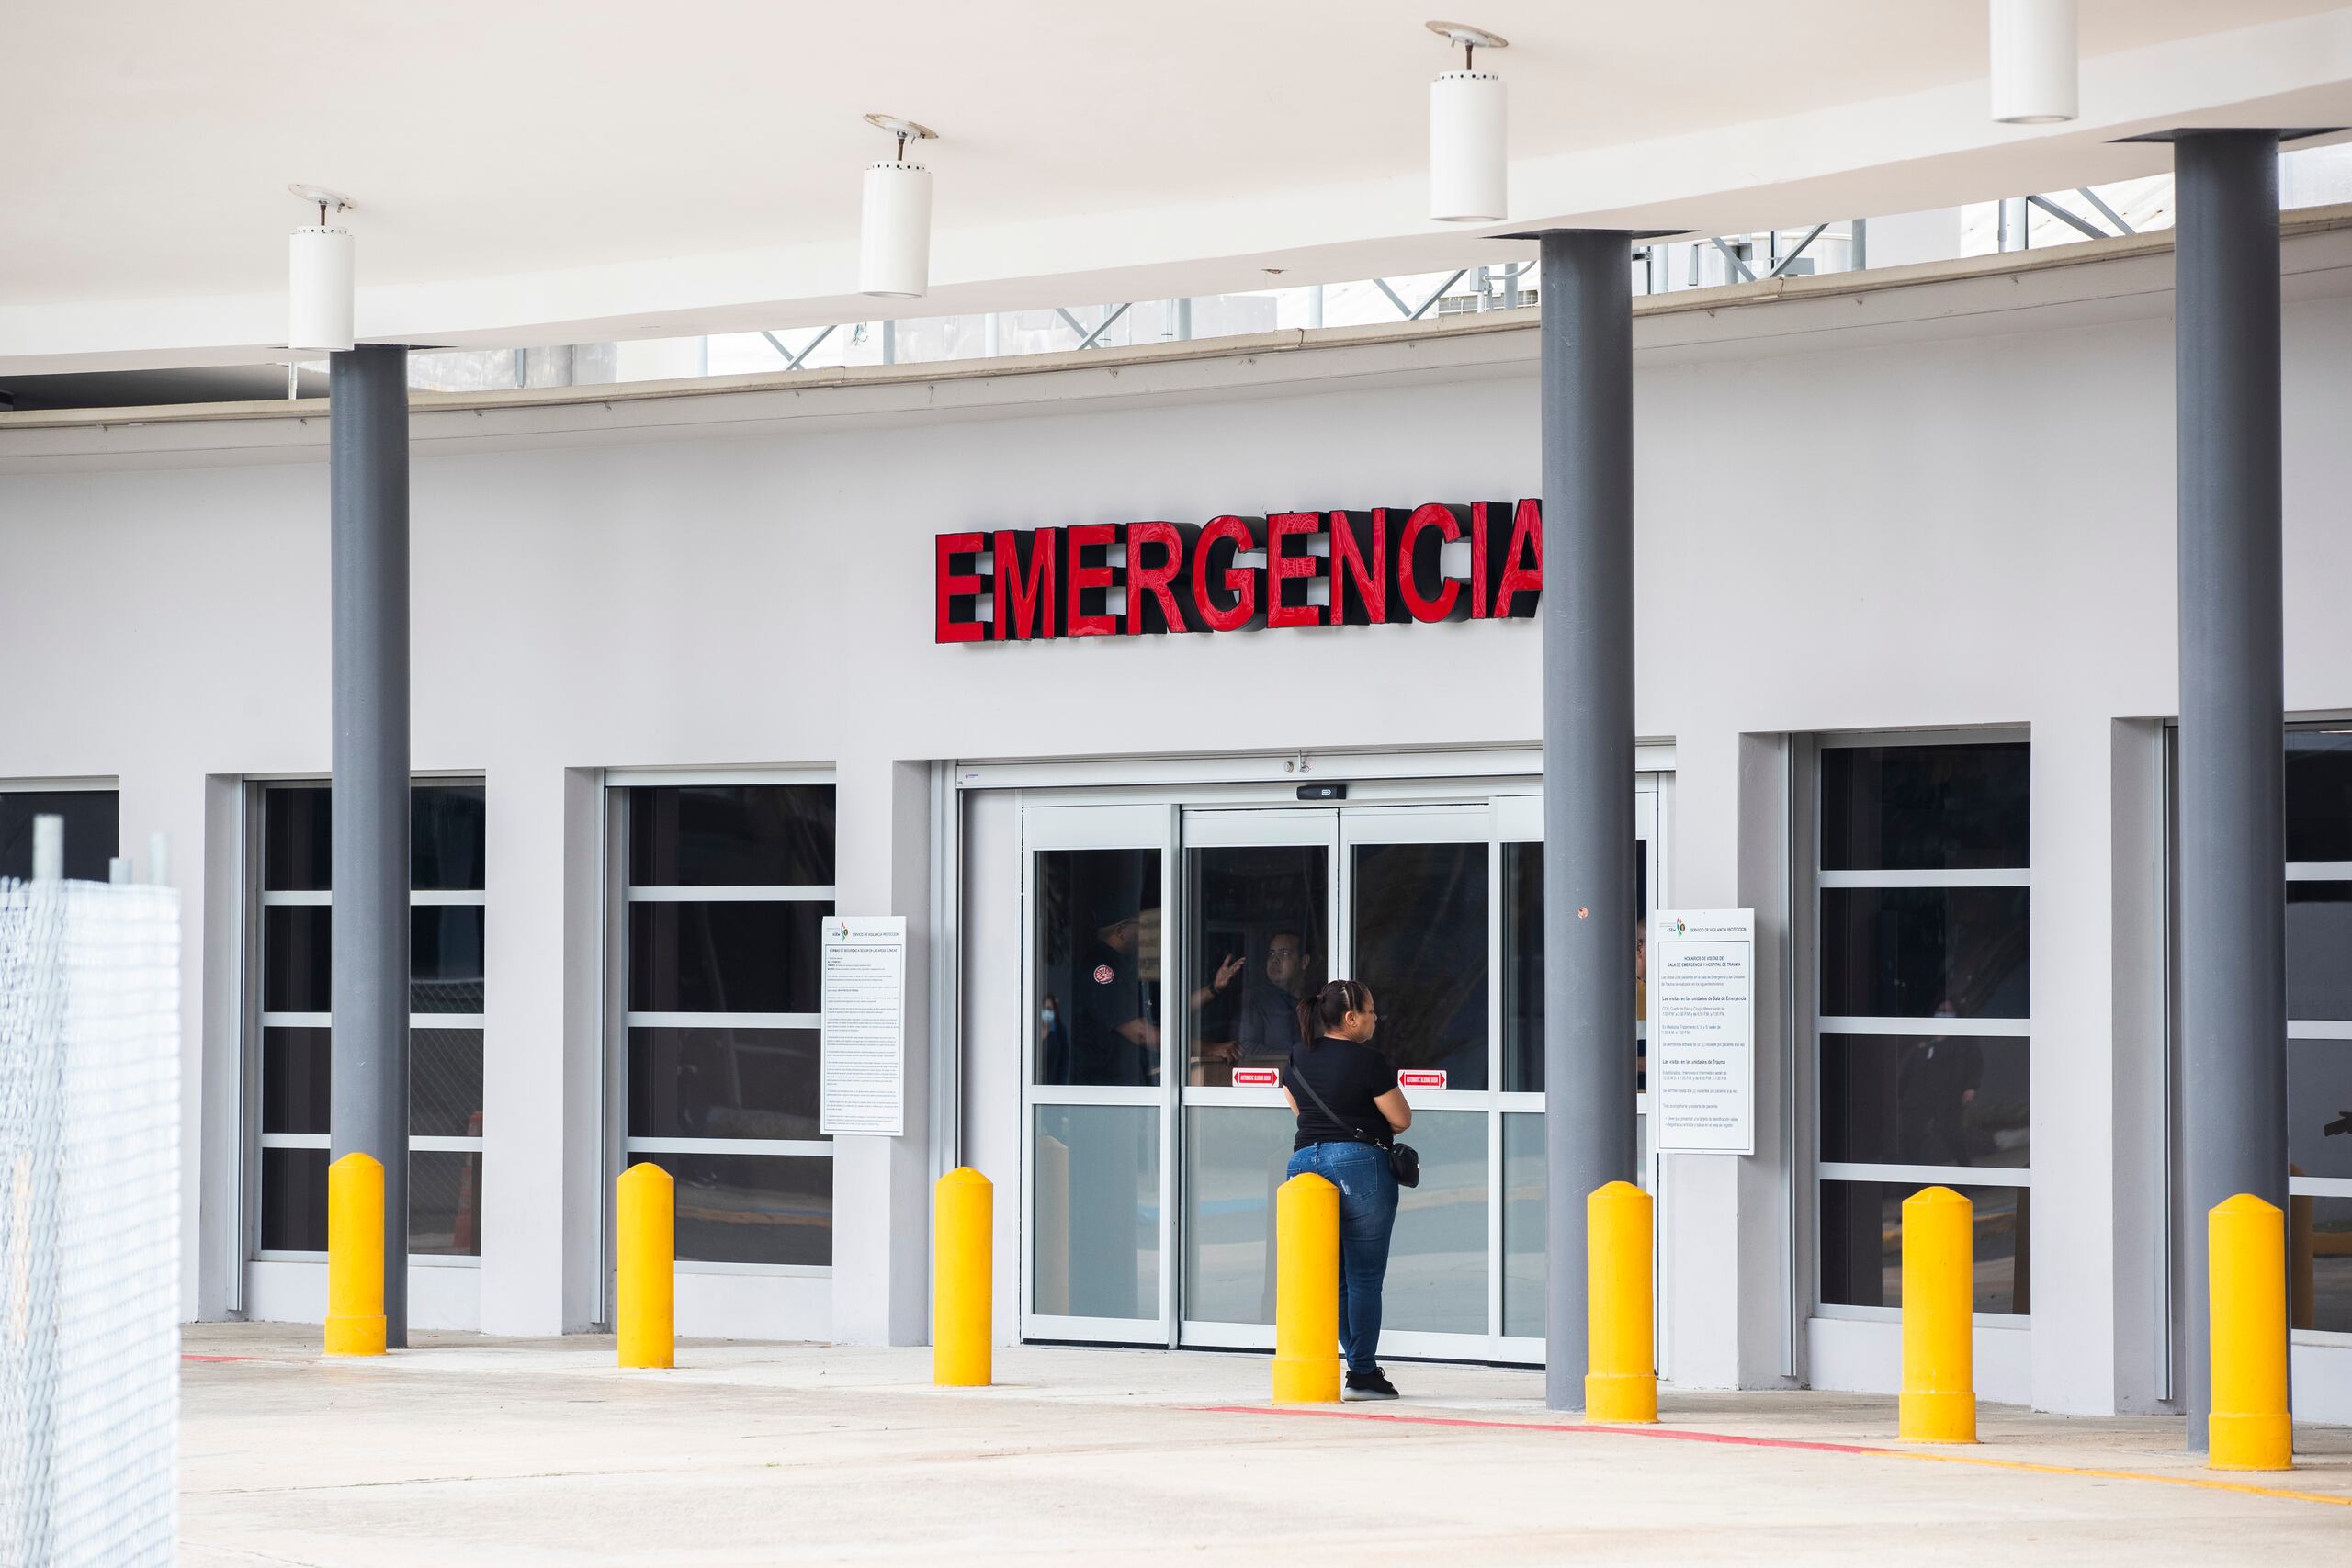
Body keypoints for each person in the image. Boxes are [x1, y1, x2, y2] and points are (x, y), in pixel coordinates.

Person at [1281, 978, 1410, 1400]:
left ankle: (1355, 1365)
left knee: (1332, 1278)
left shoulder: (1297, 1057)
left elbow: (1299, 1111)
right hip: (1359, 1165)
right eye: (1371, 1011)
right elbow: (1401, 1118)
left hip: (1304, 1167)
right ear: (1351, 1018)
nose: (1375, 1018)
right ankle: (1363, 1373)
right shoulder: (1369, 1061)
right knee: (1365, 1277)